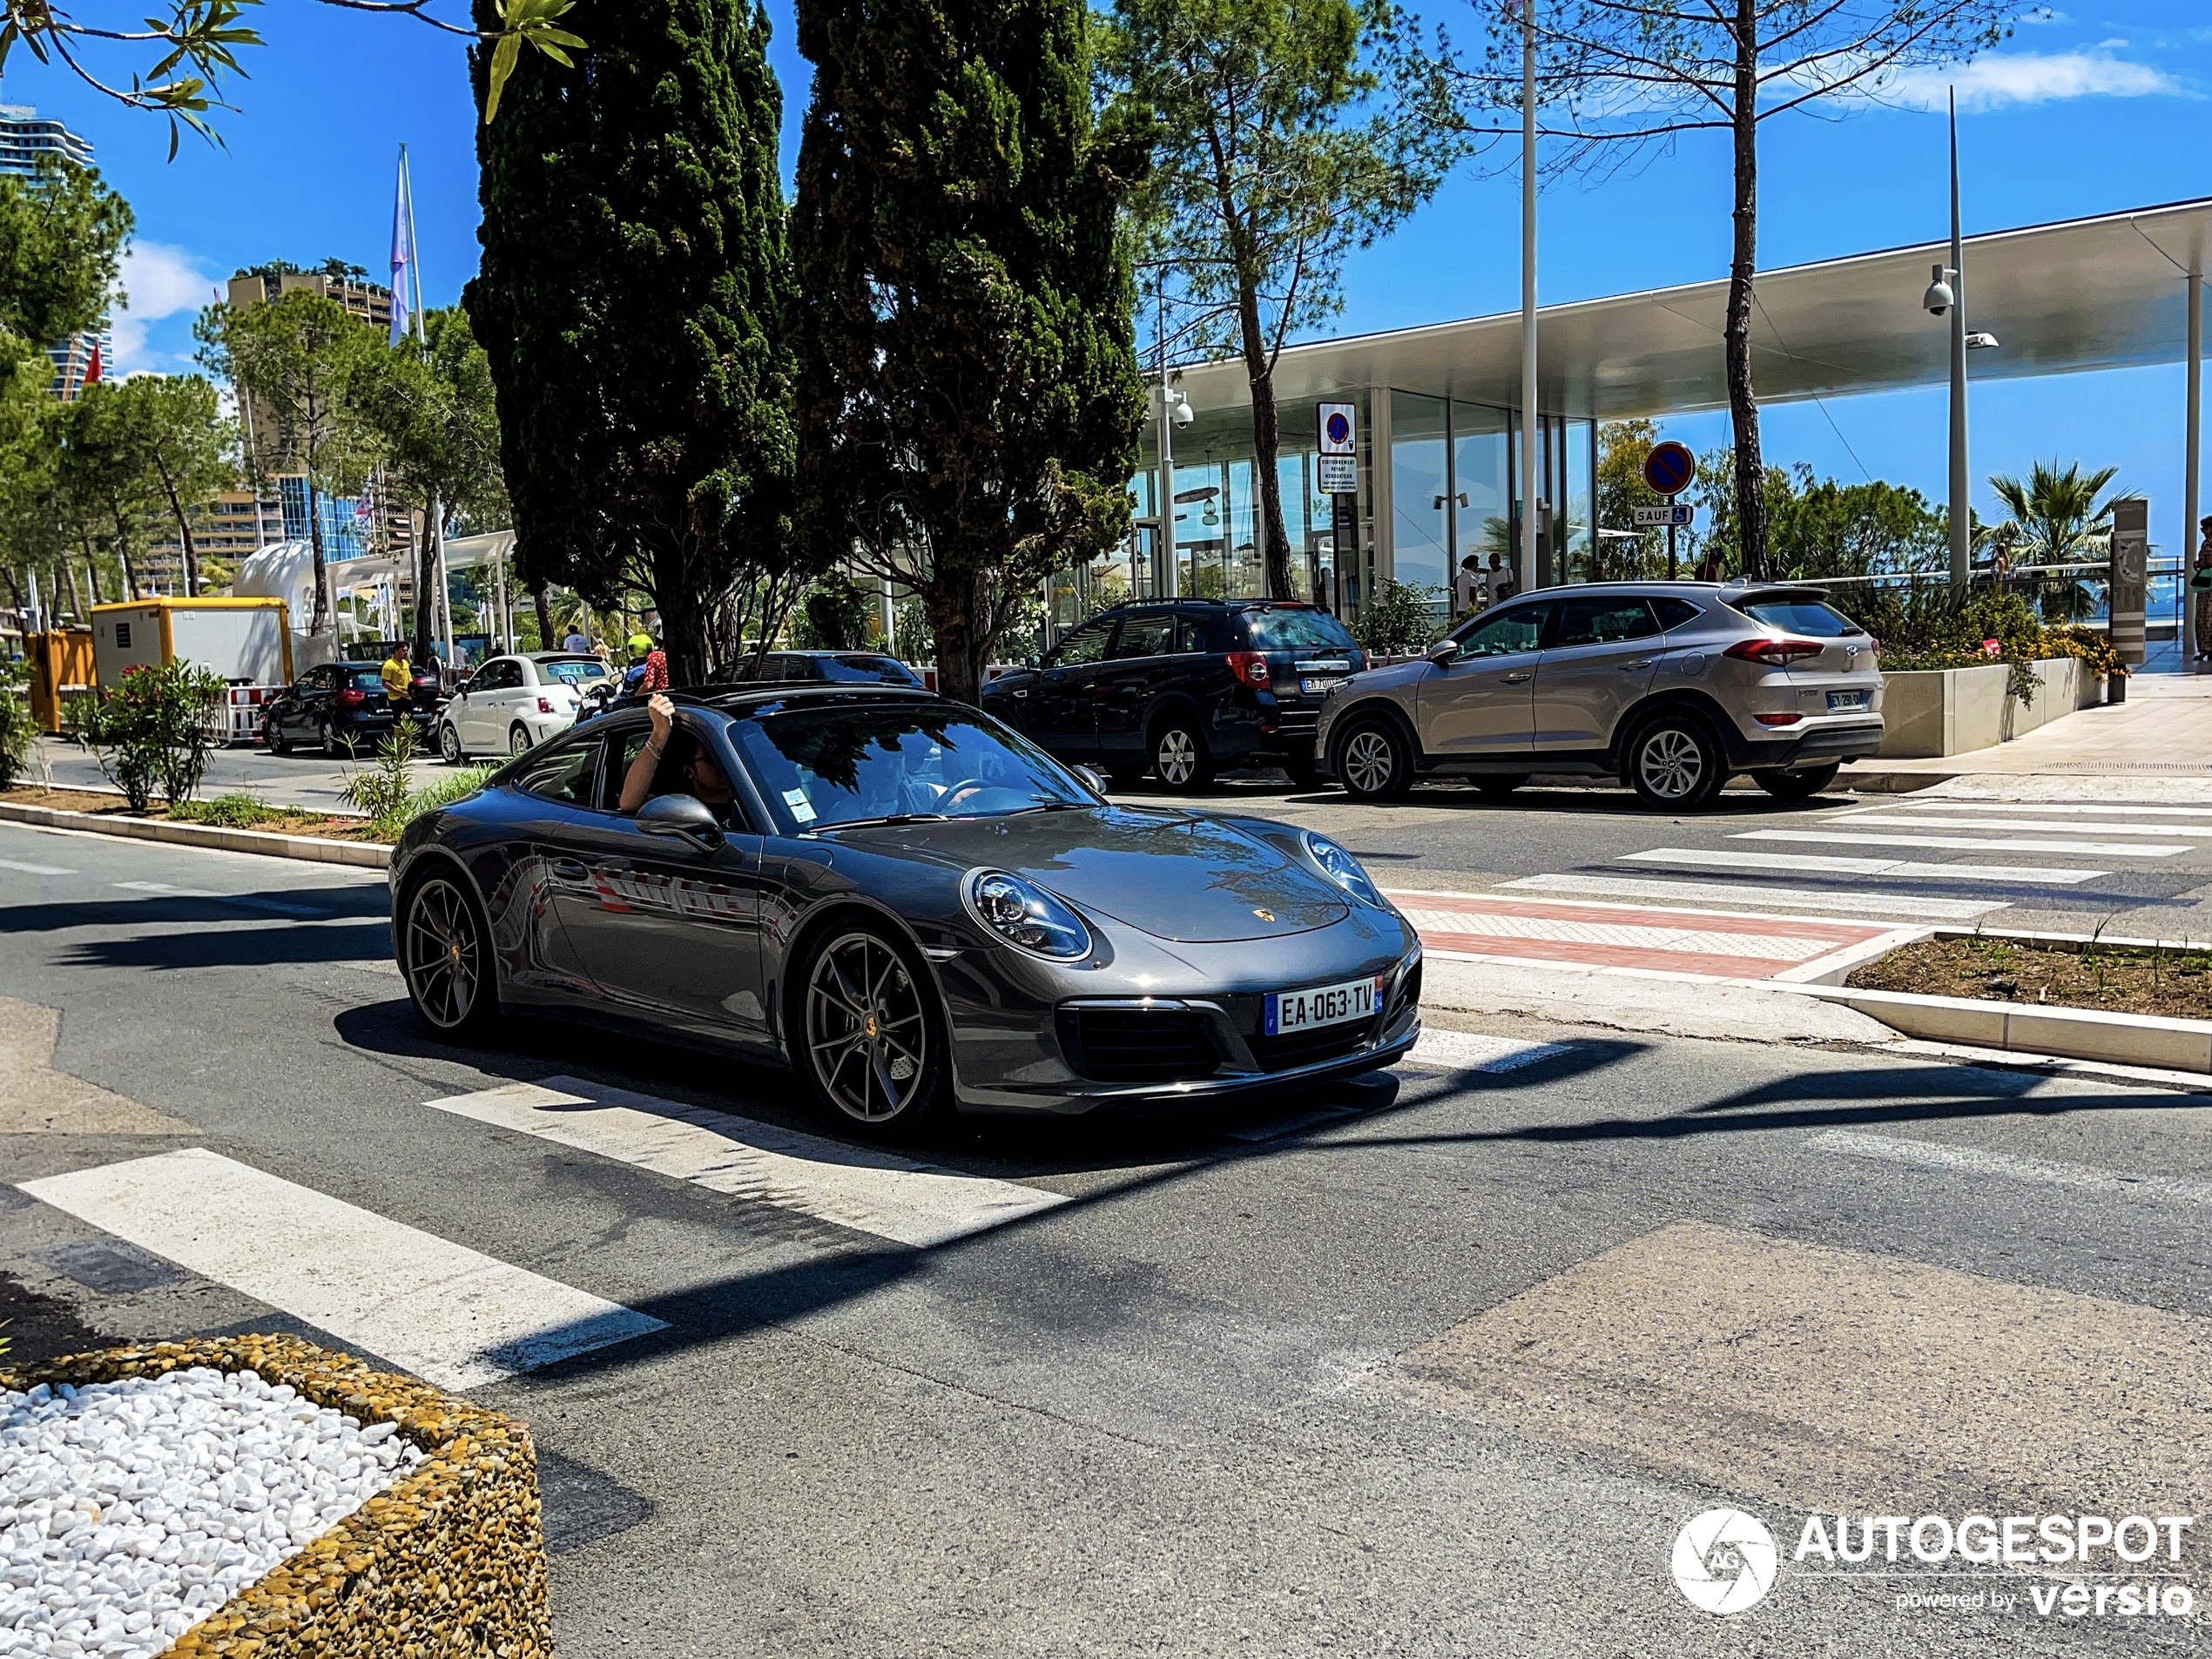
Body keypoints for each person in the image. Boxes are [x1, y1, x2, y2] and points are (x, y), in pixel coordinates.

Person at [618, 693, 739, 822]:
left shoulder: (754, 798)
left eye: (723, 754)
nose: (721, 763)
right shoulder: (676, 806)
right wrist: (659, 734)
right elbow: (629, 803)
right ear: (689, 771)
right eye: (711, 758)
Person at [2193, 516, 2212, 664]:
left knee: (2204, 616)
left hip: (2208, 583)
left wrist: (2200, 564)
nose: (2203, 532)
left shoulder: (2208, 543)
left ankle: (2206, 647)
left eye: (2204, 529)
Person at [380, 641, 411, 719]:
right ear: (396, 651)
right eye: (403, 650)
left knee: (409, 721)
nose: (406, 652)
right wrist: (400, 692)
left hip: (407, 696)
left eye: (407, 650)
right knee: (398, 721)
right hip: (396, 698)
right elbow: (385, 683)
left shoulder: (405, 663)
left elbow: (409, 677)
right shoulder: (389, 664)